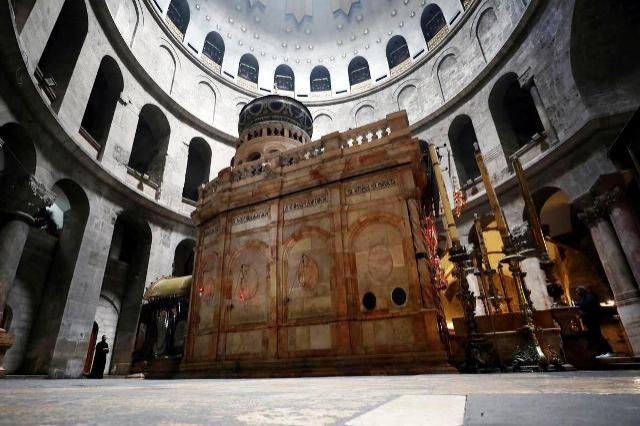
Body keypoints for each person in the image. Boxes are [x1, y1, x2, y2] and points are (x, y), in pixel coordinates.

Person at [575, 286, 613, 359]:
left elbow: (587, 304)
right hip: (589, 319)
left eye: (578, 292)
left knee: (597, 335)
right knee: (595, 336)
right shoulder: (584, 297)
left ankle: (608, 351)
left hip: (593, 318)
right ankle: (603, 351)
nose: (577, 294)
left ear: (582, 290)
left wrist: (578, 303)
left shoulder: (589, 295)